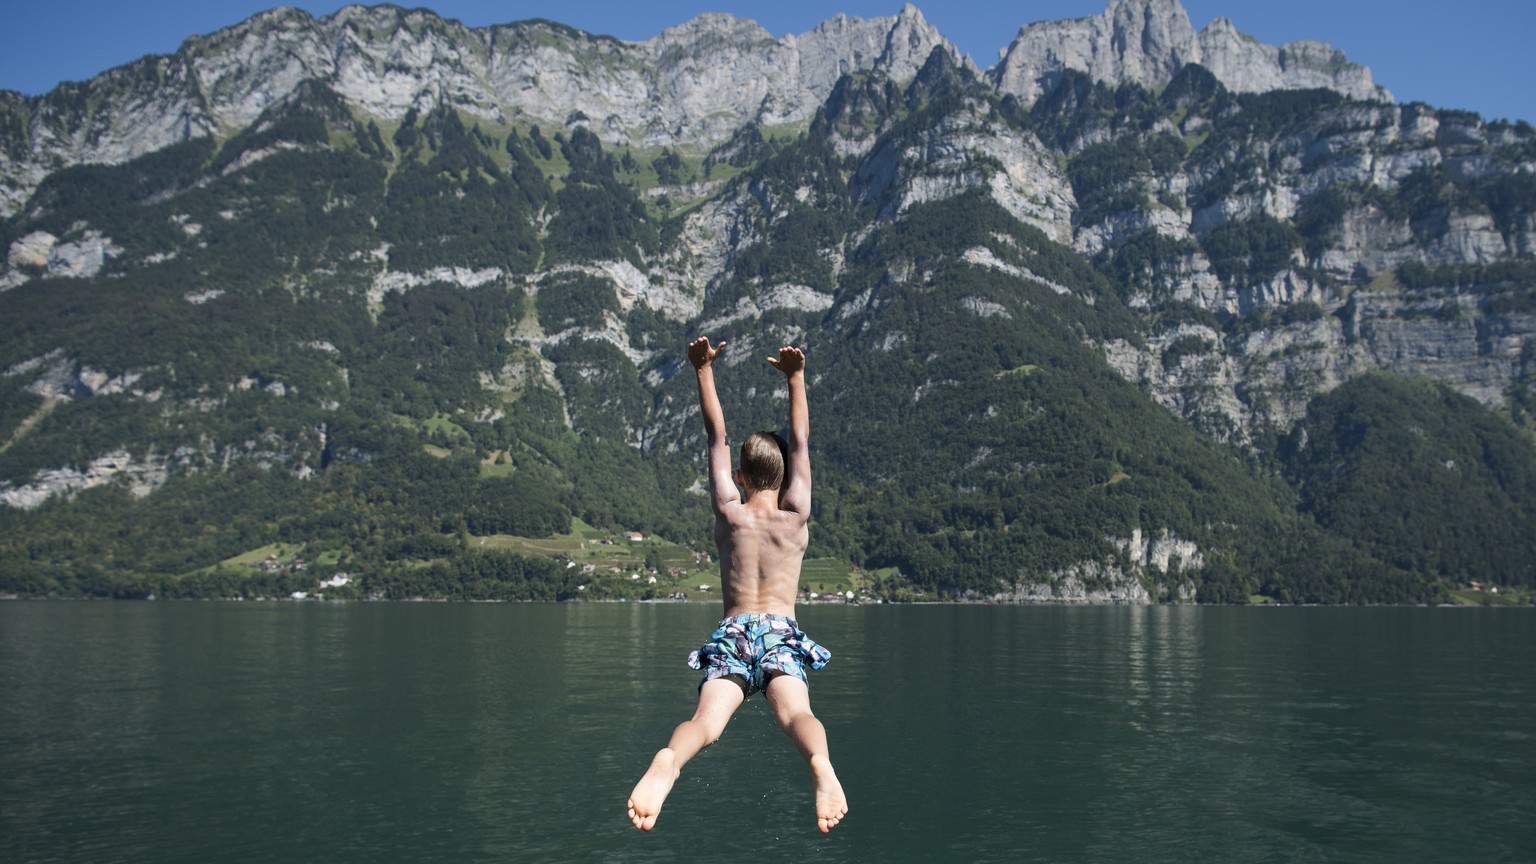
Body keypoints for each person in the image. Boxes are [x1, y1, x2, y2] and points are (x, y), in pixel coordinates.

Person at [626, 336, 848, 834]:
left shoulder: (730, 513)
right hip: (781, 631)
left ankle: (669, 762)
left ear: (741, 475)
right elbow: (802, 439)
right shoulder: (795, 515)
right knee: (795, 716)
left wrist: (703, 370)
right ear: (787, 473)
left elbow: (715, 436)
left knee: (706, 724)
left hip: (732, 632)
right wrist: (796, 378)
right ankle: (819, 763)